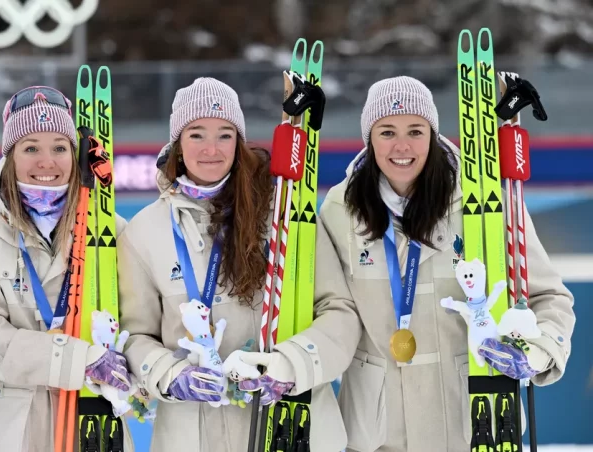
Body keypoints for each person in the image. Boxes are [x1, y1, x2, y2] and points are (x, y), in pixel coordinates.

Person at [228, 76, 575, 451]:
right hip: (378, 431)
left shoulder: (484, 202)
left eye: (415, 130)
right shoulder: (339, 211)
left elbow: (548, 296)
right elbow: (335, 316)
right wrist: (287, 365)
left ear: (432, 134)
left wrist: (537, 351)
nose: (402, 146)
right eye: (387, 132)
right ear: (370, 139)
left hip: (473, 423)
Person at [117, 77, 348, 451]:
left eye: (225, 135)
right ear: (177, 144)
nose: (211, 148)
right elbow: (135, 335)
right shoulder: (144, 230)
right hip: (194, 434)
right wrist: (171, 375)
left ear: (238, 143)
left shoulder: (284, 212)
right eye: (197, 135)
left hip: (288, 425)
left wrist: (289, 366)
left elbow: (338, 310)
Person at [0, 86, 134, 452]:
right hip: (3, 427)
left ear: (74, 153)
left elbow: (137, 327)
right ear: (9, 157)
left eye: (59, 147)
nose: (46, 161)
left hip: (91, 419)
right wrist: (80, 360)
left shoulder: (111, 230)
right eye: (31, 147)